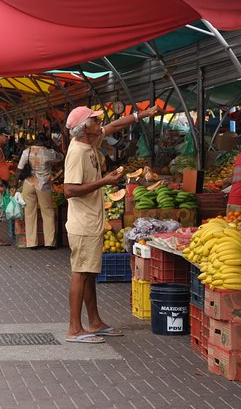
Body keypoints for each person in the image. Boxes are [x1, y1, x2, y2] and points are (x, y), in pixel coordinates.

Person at [64, 105, 161, 343]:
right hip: (82, 223)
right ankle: (74, 329)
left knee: (88, 274)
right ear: (85, 127)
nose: (100, 124)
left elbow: (116, 125)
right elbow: (69, 190)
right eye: (95, 121)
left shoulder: (90, 142)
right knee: (80, 274)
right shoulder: (77, 152)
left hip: (91, 221)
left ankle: (94, 321)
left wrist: (142, 115)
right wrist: (104, 182)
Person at [16, 133, 63, 250]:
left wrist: (16, 184)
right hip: (43, 185)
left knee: (29, 212)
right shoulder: (48, 152)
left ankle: (32, 243)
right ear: (46, 142)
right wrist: (54, 145)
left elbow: (19, 169)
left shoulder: (27, 151)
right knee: (47, 212)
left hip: (28, 183)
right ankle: (50, 242)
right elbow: (62, 157)